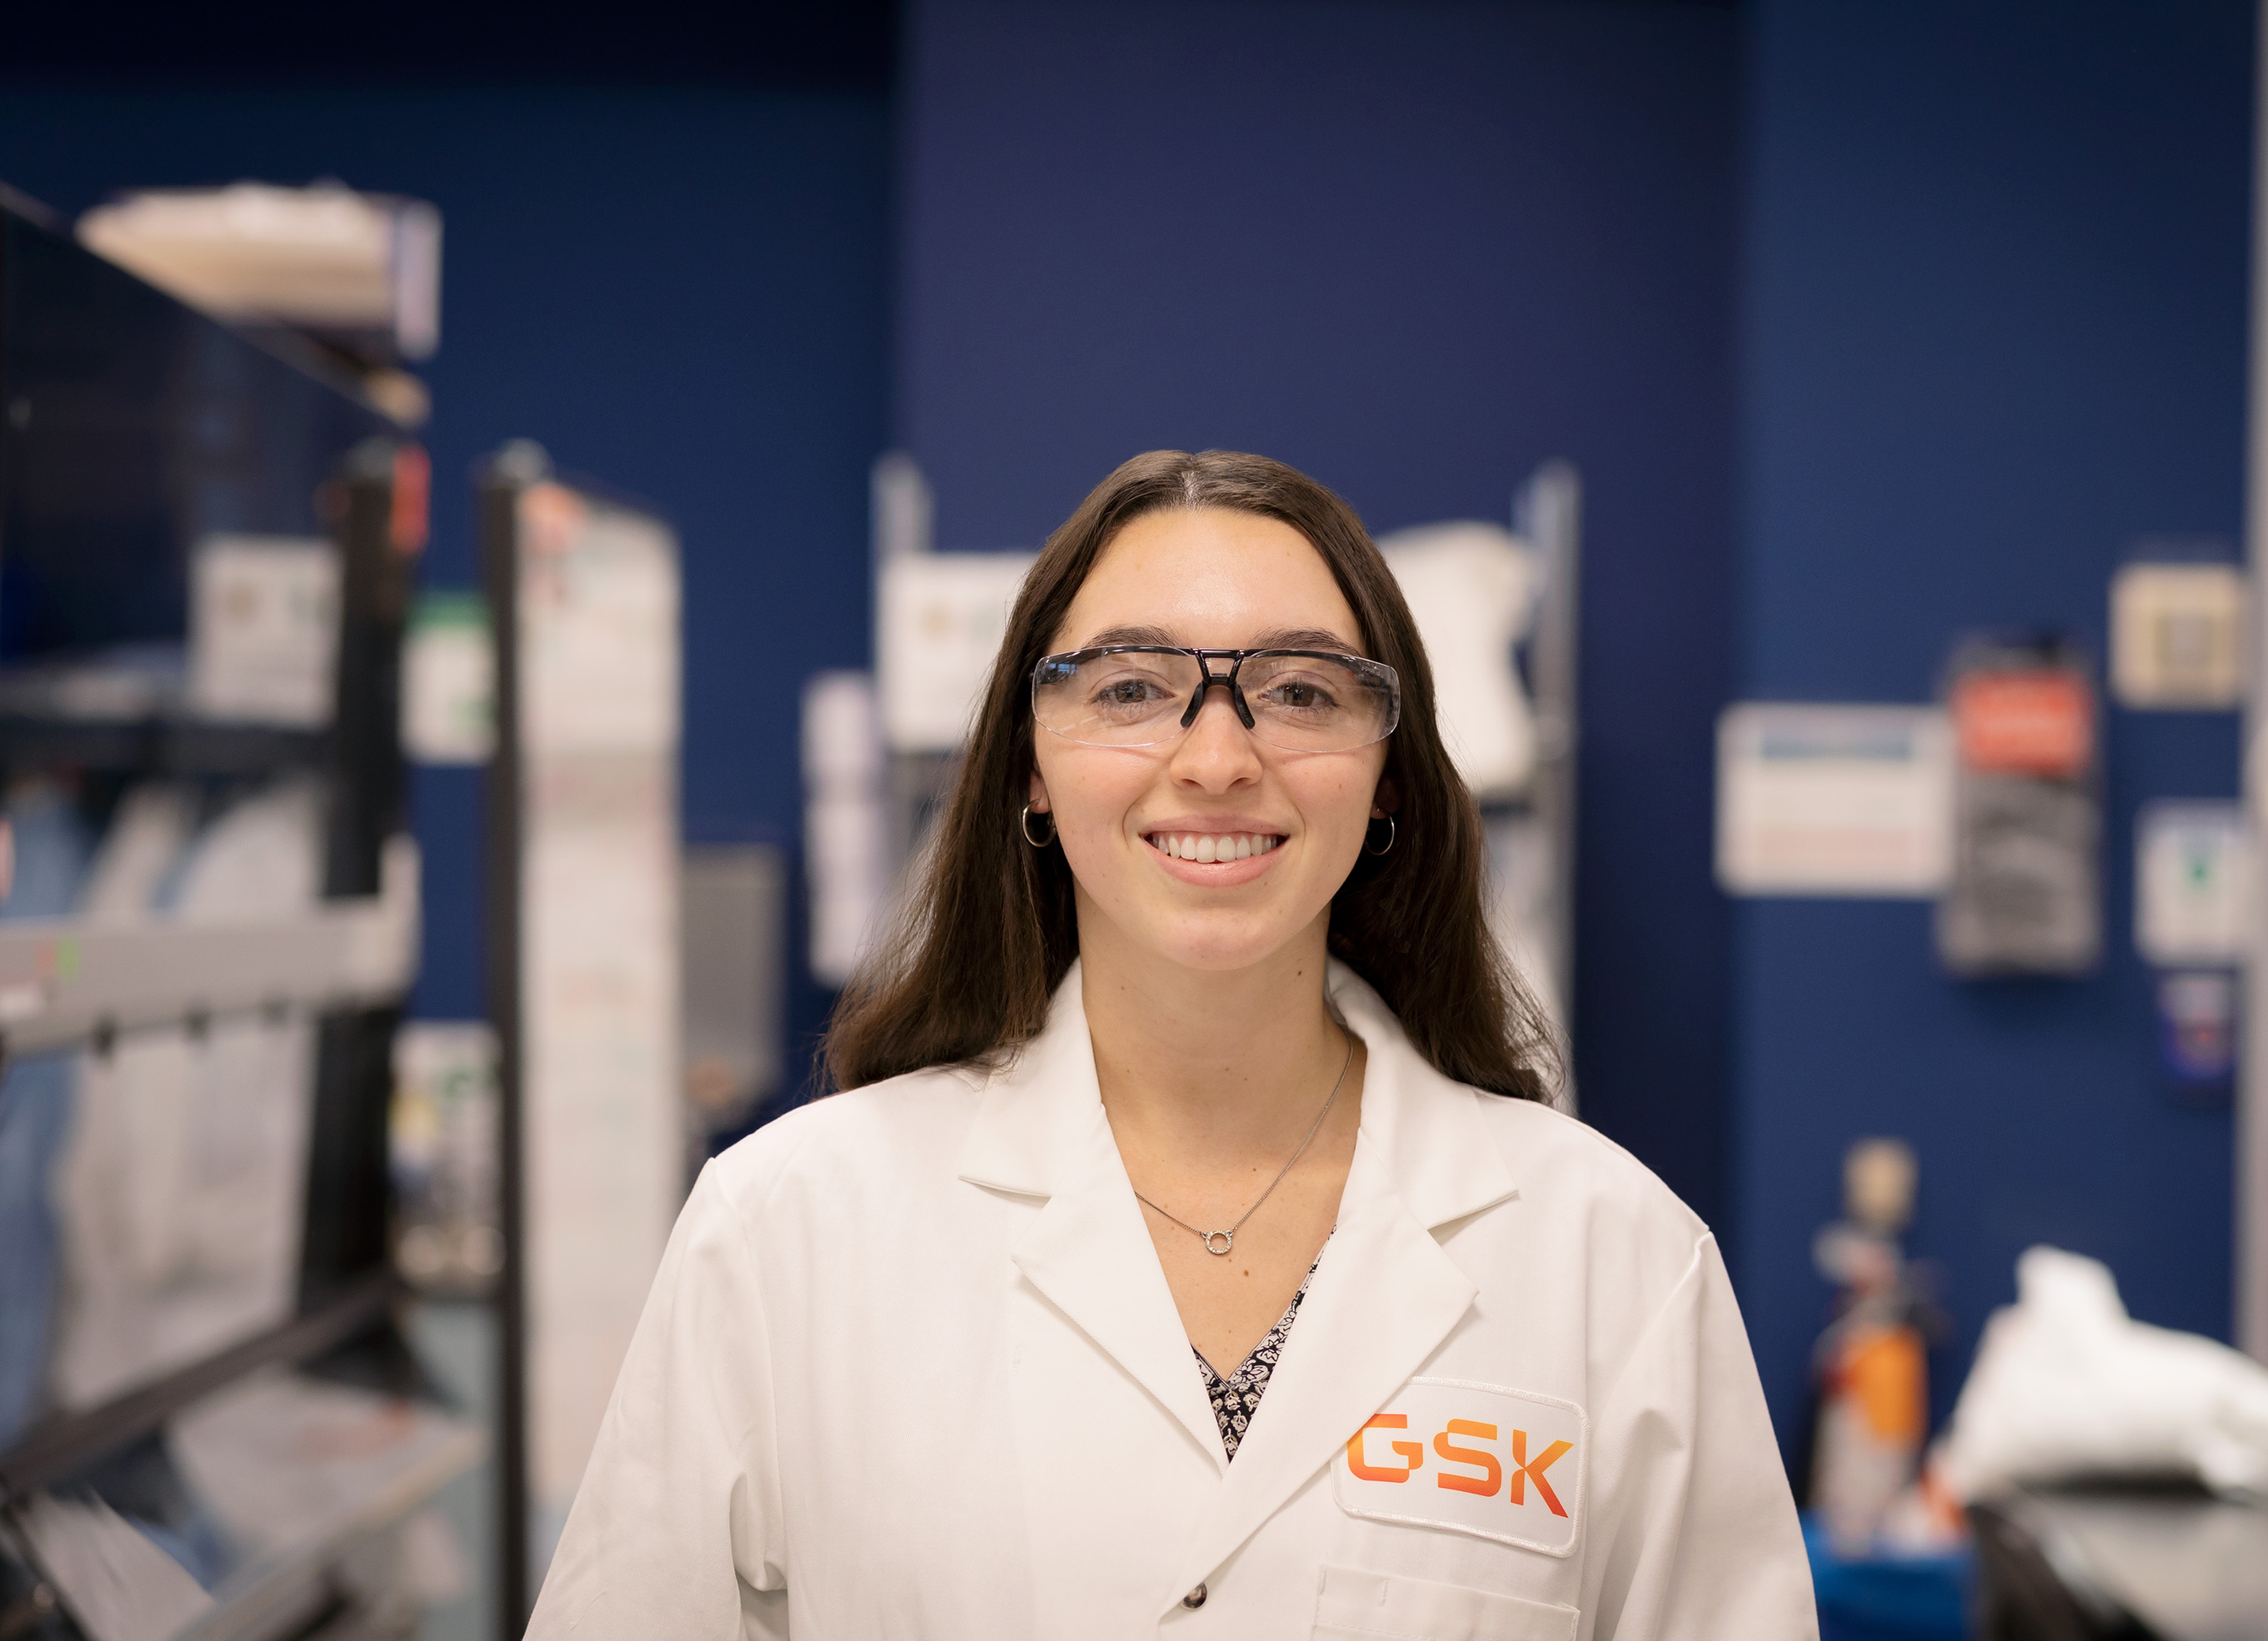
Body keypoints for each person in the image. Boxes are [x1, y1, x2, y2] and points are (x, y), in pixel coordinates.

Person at [527, 450, 1816, 1638]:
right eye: (1134, 687)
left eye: (1299, 690)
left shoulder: (1609, 1255)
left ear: (1388, 775)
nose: (1215, 757)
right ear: (1030, 763)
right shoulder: (787, 1225)